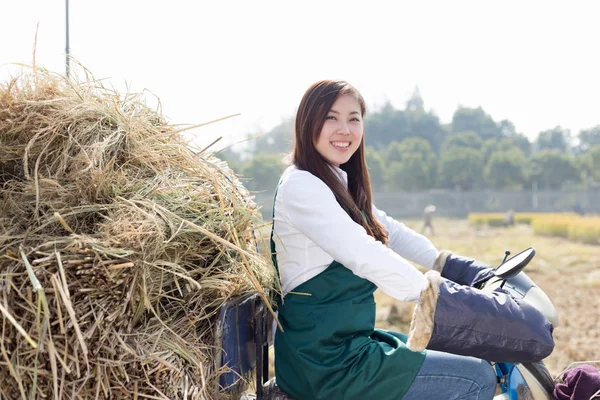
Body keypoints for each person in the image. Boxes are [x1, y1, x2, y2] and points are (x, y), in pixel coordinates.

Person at [270, 80, 497, 400]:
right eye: (331, 117)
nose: (344, 129)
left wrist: (450, 264)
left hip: (345, 346)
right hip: (325, 363)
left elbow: (391, 230)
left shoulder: (336, 183)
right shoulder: (302, 186)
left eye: (354, 119)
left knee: (462, 358)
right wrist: (436, 296)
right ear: (308, 123)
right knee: (476, 378)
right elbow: (364, 252)